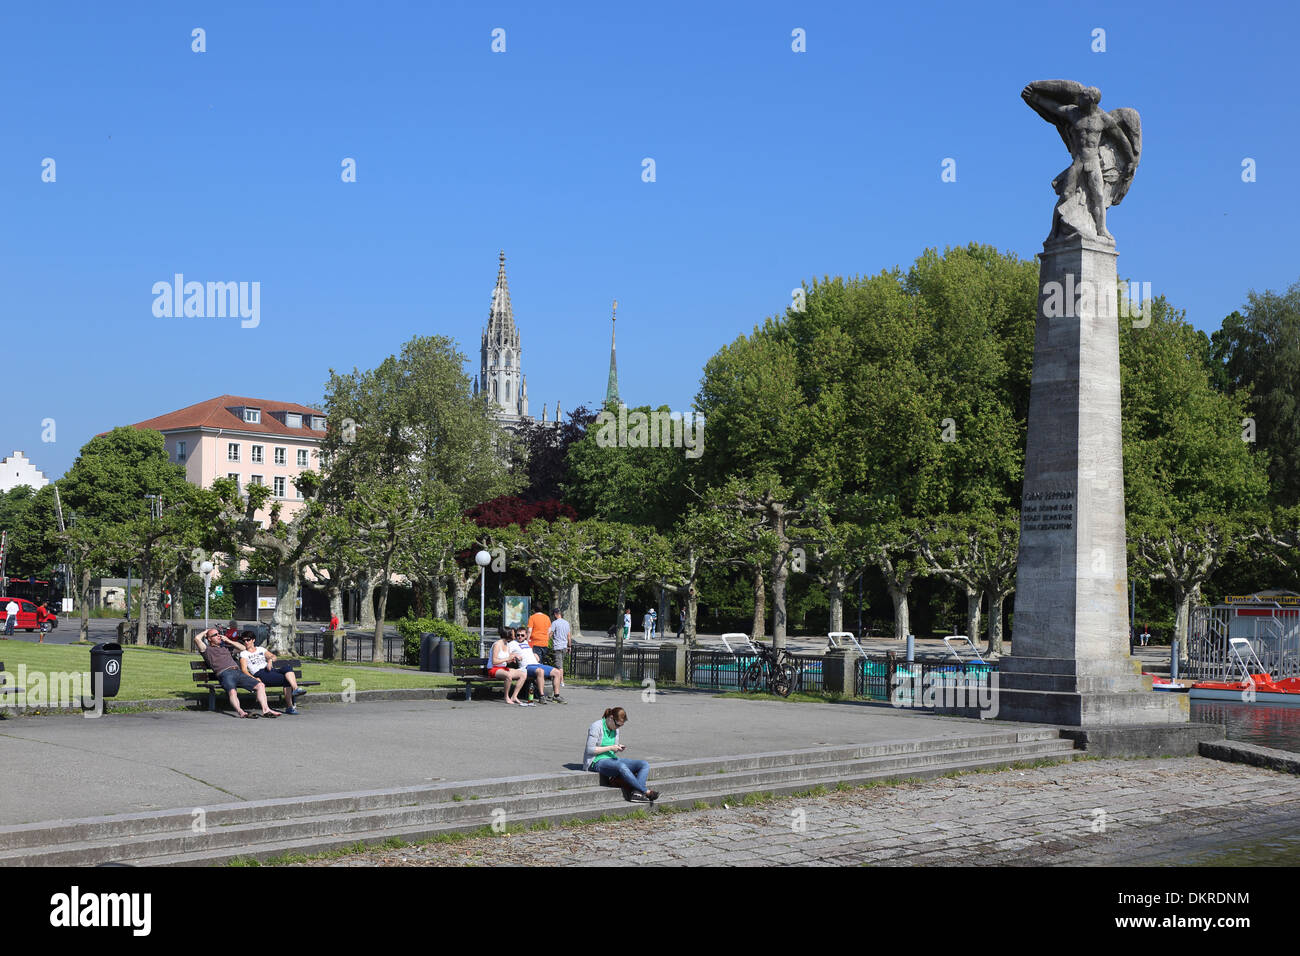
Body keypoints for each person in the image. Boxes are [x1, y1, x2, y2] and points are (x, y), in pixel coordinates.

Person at [192, 627, 280, 718]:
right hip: (224, 673)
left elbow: (243, 648)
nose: (218, 636)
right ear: (209, 639)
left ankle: (266, 710)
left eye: (218, 634)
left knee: (260, 685)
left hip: (238, 672)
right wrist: (206, 631)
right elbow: (197, 638)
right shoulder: (206, 650)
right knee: (233, 692)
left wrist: (229, 641)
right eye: (215, 635)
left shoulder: (225, 647)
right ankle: (241, 712)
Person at [583, 706, 657, 803]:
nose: (618, 728)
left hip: (611, 759)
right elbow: (590, 749)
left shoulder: (616, 729)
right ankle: (645, 791)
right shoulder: (596, 726)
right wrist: (610, 748)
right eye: (617, 725)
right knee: (621, 766)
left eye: (621, 726)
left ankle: (636, 793)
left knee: (644, 764)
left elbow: (613, 750)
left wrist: (617, 748)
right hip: (596, 761)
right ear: (611, 718)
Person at [238, 631, 306, 714]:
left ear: (253, 640)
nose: (246, 642)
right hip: (260, 673)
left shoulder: (261, 649)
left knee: (288, 668)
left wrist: (270, 660)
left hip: (270, 670)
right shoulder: (244, 654)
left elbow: (273, 656)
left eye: (248, 640)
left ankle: (295, 689)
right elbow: (244, 670)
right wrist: (254, 678)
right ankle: (290, 707)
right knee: (287, 680)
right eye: (243, 640)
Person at [508, 629, 566, 704]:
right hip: (526, 667)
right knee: (540, 671)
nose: (520, 637)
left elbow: (528, 652)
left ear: (525, 636)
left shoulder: (526, 642)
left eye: (522, 635)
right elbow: (506, 654)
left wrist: (534, 654)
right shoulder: (512, 643)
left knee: (557, 672)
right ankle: (541, 696)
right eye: (518, 635)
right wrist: (514, 655)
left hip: (537, 664)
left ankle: (556, 696)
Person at [488, 628, 529, 705]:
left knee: (523, 674)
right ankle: (506, 697)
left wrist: (511, 659)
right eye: (513, 633)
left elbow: (505, 659)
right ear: (508, 634)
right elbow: (494, 661)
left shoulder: (507, 644)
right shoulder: (497, 644)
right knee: (508, 676)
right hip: (493, 669)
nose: (515, 635)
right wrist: (507, 658)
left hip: (503, 668)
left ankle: (514, 696)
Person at [548, 611, 572, 677]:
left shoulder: (555, 623)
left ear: (556, 615)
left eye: (553, 615)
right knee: (560, 664)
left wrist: (546, 640)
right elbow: (569, 636)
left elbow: (550, 634)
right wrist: (569, 646)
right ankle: (557, 679)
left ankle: (561, 681)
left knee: (559, 666)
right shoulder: (566, 623)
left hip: (557, 646)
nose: (553, 617)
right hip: (564, 647)